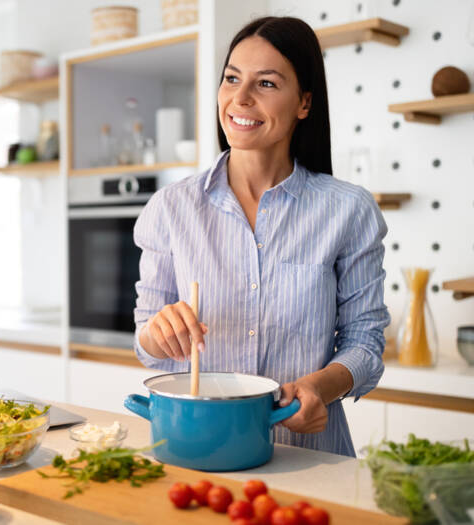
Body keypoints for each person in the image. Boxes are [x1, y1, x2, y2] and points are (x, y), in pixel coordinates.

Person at [132, 16, 390, 457]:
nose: (240, 98)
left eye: (266, 84)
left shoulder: (348, 209)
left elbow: (365, 342)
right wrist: (160, 331)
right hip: (198, 453)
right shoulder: (171, 208)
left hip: (308, 456)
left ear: (304, 103)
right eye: (232, 79)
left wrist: (319, 388)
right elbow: (148, 345)